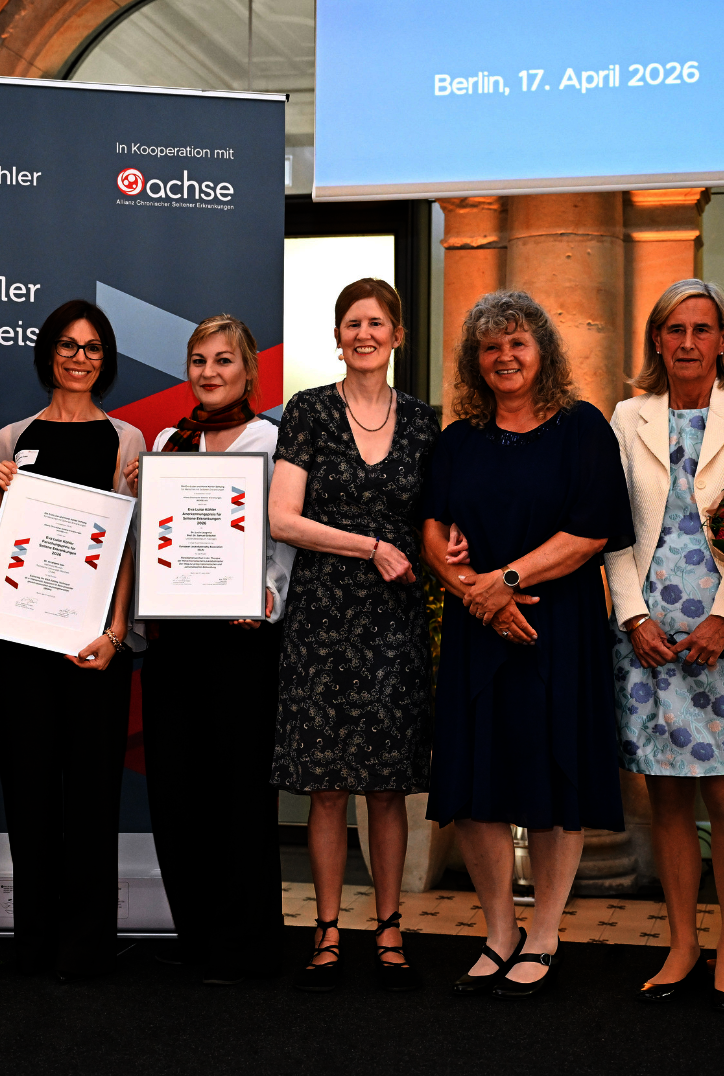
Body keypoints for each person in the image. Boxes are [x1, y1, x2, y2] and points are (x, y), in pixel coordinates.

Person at [422, 289, 633, 1000]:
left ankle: (544, 931)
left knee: (555, 778)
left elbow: (593, 531)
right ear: (474, 361)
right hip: (480, 632)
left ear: (542, 350)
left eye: (517, 342)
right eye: (490, 346)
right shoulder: (457, 439)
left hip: (558, 628)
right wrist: (477, 598)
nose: (504, 355)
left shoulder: (583, 429)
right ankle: (498, 931)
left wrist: (503, 581)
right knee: (479, 786)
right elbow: (433, 529)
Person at [604, 279, 724, 1013]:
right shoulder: (629, 414)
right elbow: (612, 526)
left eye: (701, 330)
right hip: (648, 630)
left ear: (723, 340)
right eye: (674, 329)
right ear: (656, 339)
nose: (687, 342)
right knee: (668, 794)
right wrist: (632, 617)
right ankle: (682, 944)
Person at [269, 278, 439, 992]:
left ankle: (390, 924)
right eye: (351, 324)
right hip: (322, 618)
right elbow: (282, 518)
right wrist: (369, 545)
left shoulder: (428, 422)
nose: (363, 334)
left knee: (389, 787)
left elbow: (437, 519)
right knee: (327, 787)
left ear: (398, 335)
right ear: (338, 338)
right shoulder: (307, 411)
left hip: (395, 619)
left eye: (376, 323)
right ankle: (329, 927)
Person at [123, 314, 296, 985]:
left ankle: (247, 943)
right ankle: (195, 933)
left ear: (249, 371)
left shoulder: (270, 441)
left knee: (239, 789)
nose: (210, 372)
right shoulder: (170, 440)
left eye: (224, 361)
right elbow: (153, 537)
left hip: (240, 642)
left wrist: (268, 597)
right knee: (178, 788)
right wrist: (142, 494)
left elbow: (281, 539)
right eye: (199, 360)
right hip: (176, 643)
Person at [0, 299, 145, 982]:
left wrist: (116, 634)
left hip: (97, 651)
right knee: (28, 795)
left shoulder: (127, 439)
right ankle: (34, 944)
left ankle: (86, 948)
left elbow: (127, 548)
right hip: (22, 648)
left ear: (105, 359)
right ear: (48, 352)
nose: (80, 357)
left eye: (93, 347)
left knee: (90, 797)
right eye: (68, 345)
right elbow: (3, 554)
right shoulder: (10, 439)